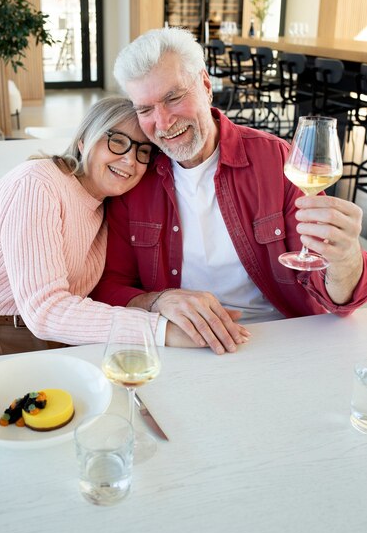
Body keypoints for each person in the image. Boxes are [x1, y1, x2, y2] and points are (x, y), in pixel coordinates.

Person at [91, 27, 367, 355]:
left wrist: (346, 258)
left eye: (174, 97)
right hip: (184, 346)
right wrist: (158, 301)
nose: (163, 122)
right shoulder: (134, 180)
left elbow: (333, 296)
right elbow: (108, 286)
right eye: (145, 109)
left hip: (280, 338)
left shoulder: (277, 159)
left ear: (206, 86)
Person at [0, 96, 172, 360]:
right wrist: (161, 330)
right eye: (117, 141)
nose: (130, 160)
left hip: (55, 339)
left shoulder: (105, 207)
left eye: (143, 151)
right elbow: (44, 309)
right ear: (84, 140)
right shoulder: (38, 183)